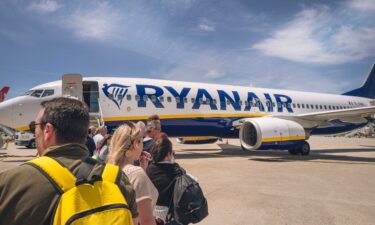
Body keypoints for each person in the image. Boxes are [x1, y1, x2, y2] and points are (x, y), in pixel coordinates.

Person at [0, 97, 138, 225]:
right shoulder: (116, 177)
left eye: (34, 126)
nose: (34, 132)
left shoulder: (11, 182)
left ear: (47, 130)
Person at [108, 122, 158, 225]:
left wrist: (142, 169)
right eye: (142, 141)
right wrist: (140, 172)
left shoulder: (108, 169)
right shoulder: (136, 174)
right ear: (136, 144)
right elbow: (146, 220)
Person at [146, 133, 185, 225]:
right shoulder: (177, 171)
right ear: (168, 154)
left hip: (152, 215)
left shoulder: (148, 169)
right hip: (170, 216)